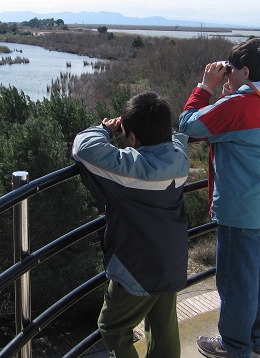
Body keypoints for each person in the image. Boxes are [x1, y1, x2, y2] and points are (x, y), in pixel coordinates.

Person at [178, 38, 260, 358]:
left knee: (237, 284)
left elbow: (188, 125)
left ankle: (234, 348)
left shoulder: (237, 105)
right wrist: (229, 91)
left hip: (241, 210)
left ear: (246, 70)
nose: (226, 73)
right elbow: (234, 125)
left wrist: (205, 85)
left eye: (231, 69)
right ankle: (256, 343)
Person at [72, 91, 190, 358]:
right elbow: (176, 137)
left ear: (132, 138)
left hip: (137, 267)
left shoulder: (131, 170)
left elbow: (83, 147)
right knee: (163, 327)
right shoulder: (179, 159)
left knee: (111, 326)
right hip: (171, 260)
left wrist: (104, 129)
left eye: (126, 134)